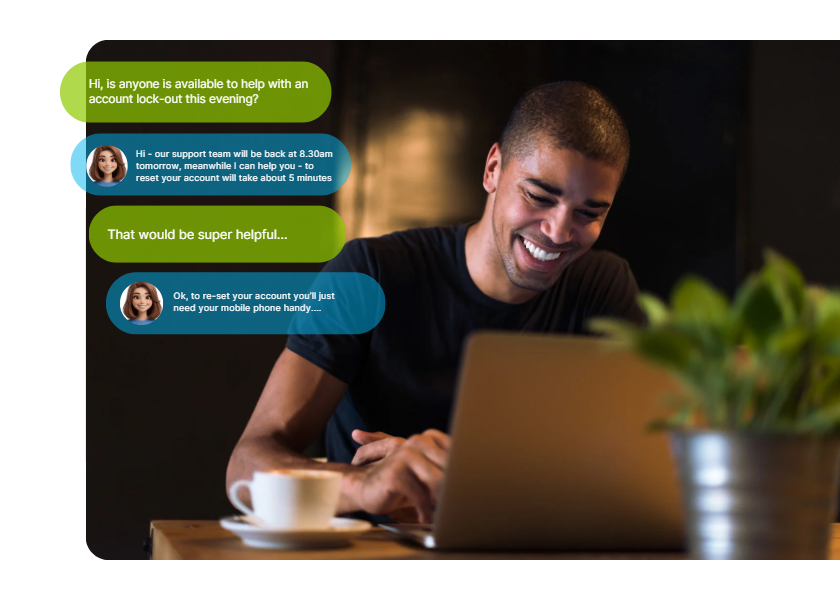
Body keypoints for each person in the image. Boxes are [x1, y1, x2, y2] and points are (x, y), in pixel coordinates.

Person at [227, 81, 645, 524]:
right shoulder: (368, 274)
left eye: (589, 213)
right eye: (539, 197)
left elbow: (635, 467)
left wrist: (468, 479)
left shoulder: (604, 286)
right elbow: (247, 466)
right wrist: (364, 485)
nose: (559, 233)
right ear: (493, 169)